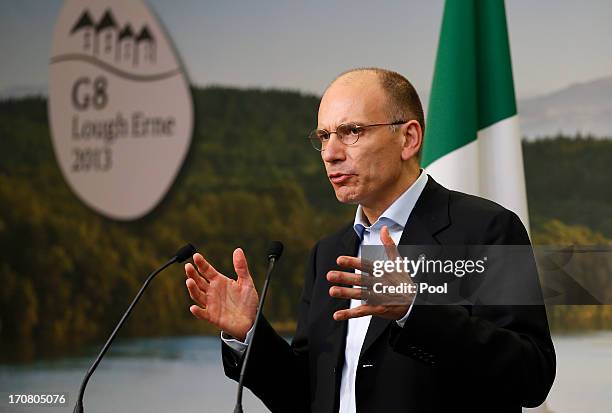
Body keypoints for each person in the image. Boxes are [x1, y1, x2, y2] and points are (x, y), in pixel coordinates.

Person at [183, 68, 556, 412]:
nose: (330, 154)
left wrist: (415, 310)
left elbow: (532, 375)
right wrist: (250, 332)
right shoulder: (328, 254)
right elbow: (306, 396)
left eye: (351, 132)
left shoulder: (486, 230)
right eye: (324, 136)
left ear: (408, 138)